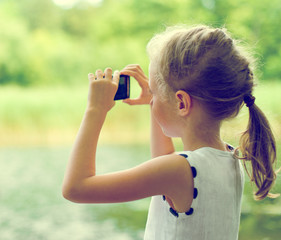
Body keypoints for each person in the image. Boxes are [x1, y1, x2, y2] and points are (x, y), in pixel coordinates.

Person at [62, 25, 279, 240]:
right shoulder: (230, 159)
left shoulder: (178, 170)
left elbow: (76, 188)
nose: (152, 99)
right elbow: (165, 162)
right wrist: (154, 101)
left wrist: (95, 110)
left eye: (155, 94)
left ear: (182, 102)